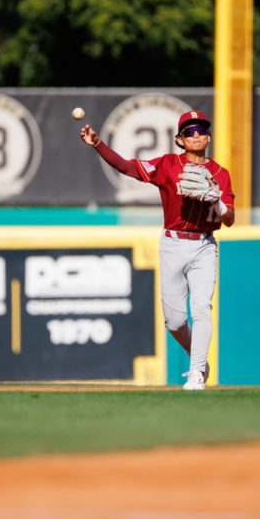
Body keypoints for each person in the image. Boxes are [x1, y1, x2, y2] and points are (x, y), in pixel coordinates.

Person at [80, 111, 235, 390]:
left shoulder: (220, 174)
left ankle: (198, 371)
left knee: (202, 307)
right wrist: (98, 144)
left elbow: (230, 219)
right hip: (172, 244)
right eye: (189, 131)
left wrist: (218, 203)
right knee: (175, 322)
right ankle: (196, 355)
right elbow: (128, 167)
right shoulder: (167, 165)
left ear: (209, 137)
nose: (196, 135)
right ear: (179, 139)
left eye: (201, 130)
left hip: (203, 245)